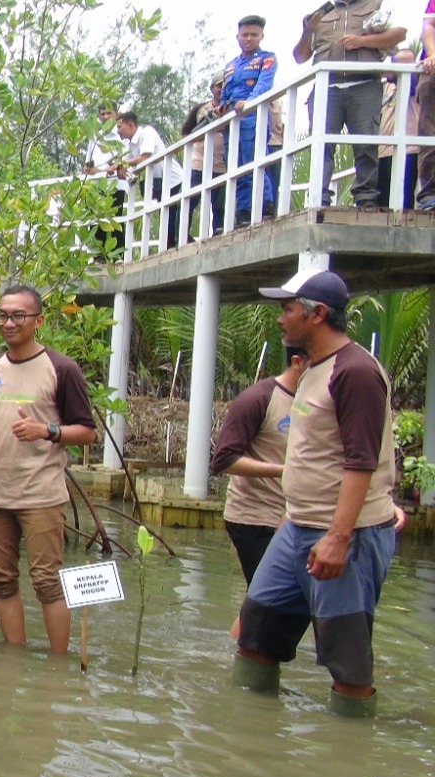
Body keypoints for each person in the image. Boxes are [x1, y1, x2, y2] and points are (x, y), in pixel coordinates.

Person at [236, 271, 399, 717]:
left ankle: (347, 757)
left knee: (346, 661)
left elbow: (362, 459)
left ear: (318, 314)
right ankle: (249, 740)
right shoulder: (313, 368)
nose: (280, 319)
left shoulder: (356, 372)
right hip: (296, 528)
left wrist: (339, 536)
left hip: (344, 533)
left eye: (287, 309)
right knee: (255, 635)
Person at [0, 286, 98, 653]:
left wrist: (47, 430)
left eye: (18, 316)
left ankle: (58, 667)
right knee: (0, 580)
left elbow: (87, 432)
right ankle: (14, 660)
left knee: (47, 582)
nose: (9, 322)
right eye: (2, 315)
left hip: (40, 494)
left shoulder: (62, 368)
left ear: (39, 321)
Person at [211, 345, 308, 588]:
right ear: (298, 362)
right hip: (254, 518)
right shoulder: (258, 399)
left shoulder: (315, 402)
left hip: (295, 517)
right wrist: (283, 470)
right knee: (270, 600)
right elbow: (224, 460)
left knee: (274, 603)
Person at [294, 0, 405, 209]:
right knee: (321, 146)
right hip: (327, 87)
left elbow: (400, 34)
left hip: (364, 84)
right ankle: (319, 198)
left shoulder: (377, 5)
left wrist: (363, 41)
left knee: (366, 144)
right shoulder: (319, 14)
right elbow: (300, 57)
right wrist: (308, 30)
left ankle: (366, 199)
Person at [221, 16, 278, 226]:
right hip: (232, 122)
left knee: (255, 162)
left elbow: (264, 85)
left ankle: (265, 206)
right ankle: (243, 211)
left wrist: (249, 102)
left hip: (254, 116)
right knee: (236, 167)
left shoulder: (267, 58)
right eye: (245, 34)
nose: (249, 38)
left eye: (254, 34)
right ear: (237, 37)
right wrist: (222, 110)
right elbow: (225, 95)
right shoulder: (231, 66)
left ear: (262, 36)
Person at [116, 111, 186, 249]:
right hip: (162, 183)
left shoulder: (147, 133)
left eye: (119, 127)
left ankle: (173, 247)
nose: (118, 131)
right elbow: (127, 162)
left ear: (130, 124)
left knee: (172, 219)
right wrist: (116, 168)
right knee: (167, 218)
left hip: (173, 180)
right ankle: (171, 247)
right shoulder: (131, 144)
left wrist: (123, 165)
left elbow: (145, 157)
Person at [182, 79, 229, 235]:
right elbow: (185, 133)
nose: (221, 89)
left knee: (219, 205)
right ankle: (180, 237)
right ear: (212, 88)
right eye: (218, 85)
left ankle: (218, 234)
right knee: (189, 202)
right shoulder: (201, 109)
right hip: (199, 163)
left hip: (221, 164)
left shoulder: (231, 107)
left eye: (224, 85)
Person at [377, 50, 422, 209]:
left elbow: (408, 61)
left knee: (404, 202)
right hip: (383, 151)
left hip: (408, 150)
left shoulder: (416, 82)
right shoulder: (384, 86)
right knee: (381, 202)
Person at [83, 104, 128, 258]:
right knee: (96, 223)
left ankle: (118, 258)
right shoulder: (94, 136)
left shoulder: (122, 134)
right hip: (96, 185)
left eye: (109, 113)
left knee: (115, 221)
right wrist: (102, 170)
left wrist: (110, 168)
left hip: (116, 185)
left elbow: (124, 161)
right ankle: (98, 258)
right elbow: (88, 166)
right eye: (102, 114)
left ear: (116, 114)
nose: (106, 117)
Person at [417, 2, 435, 210]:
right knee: (430, 134)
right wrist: (432, 55)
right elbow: (429, 26)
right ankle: (430, 195)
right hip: (433, 71)